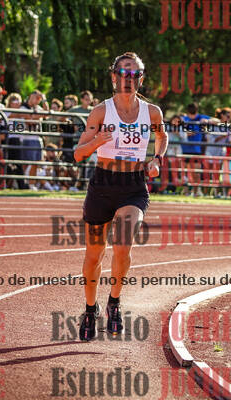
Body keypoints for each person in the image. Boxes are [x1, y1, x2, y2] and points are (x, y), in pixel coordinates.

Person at [73, 52, 167, 341]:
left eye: (134, 74)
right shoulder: (101, 112)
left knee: (123, 245)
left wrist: (157, 159)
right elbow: (78, 154)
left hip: (133, 186)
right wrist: (96, 141)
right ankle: (90, 309)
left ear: (141, 78)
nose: (128, 78)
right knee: (94, 255)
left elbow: (162, 137)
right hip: (103, 184)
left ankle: (114, 302)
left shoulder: (152, 112)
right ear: (114, 77)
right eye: (123, 73)